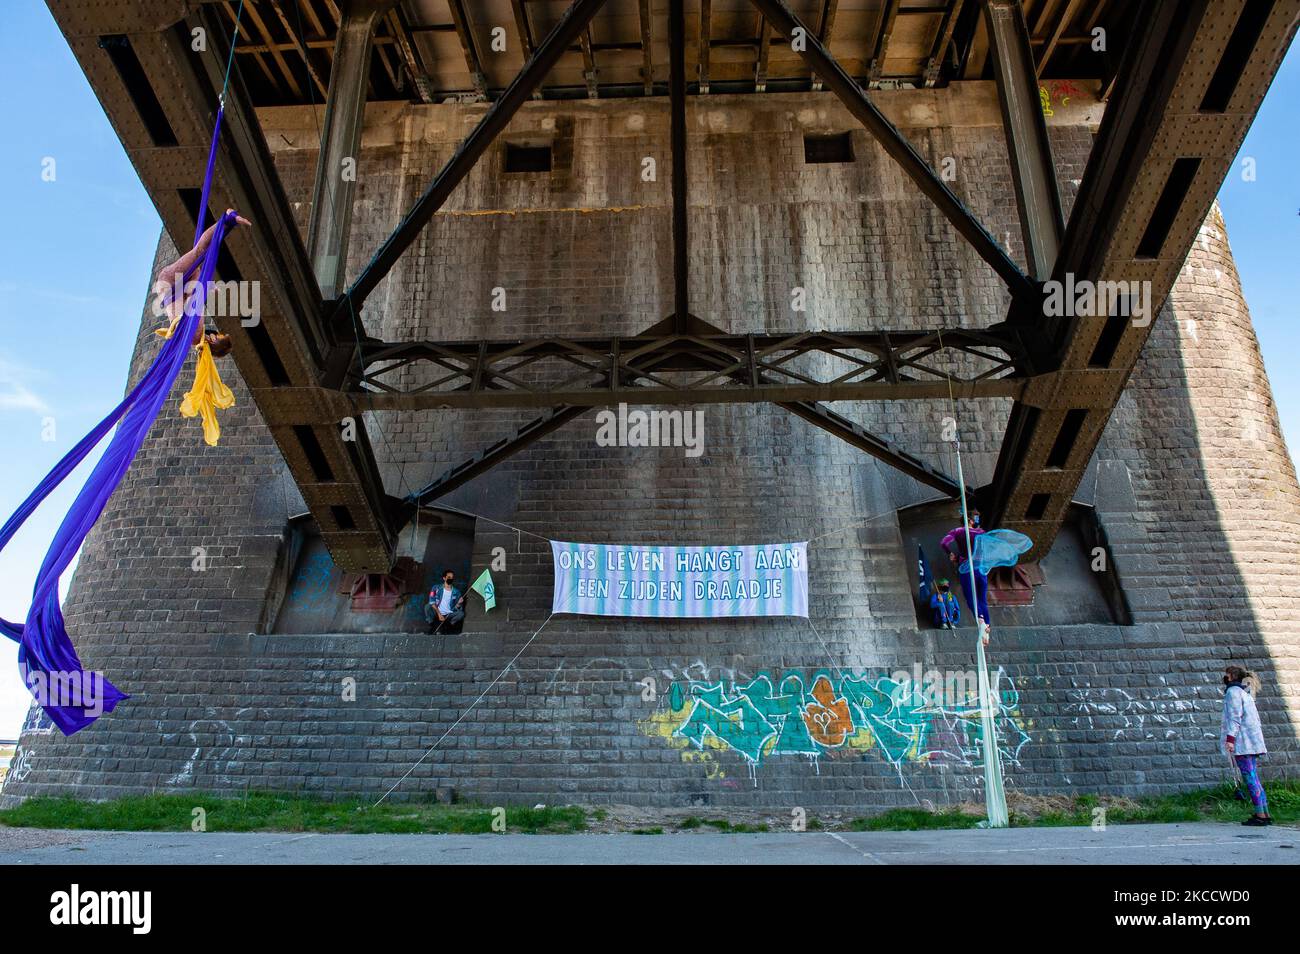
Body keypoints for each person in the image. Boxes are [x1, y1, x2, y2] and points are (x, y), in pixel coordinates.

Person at [152, 209, 250, 357]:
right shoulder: (197, 334)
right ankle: (227, 221)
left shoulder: (197, 334)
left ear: (212, 340)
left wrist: (203, 286)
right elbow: (191, 298)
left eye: (220, 335)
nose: (217, 333)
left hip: (171, 283)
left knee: (200, 252)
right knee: (199, 255)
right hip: (174, 287)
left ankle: (228, 219)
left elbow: (193, 298)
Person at [1220, 665, 1271, 826]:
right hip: (1252, 741)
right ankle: (1265, 812)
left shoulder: (1233, 693)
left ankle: (1260, 815)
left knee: (1250, 777)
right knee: (1254, 777)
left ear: (1230, 676)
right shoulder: (1245, 692)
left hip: (1243, 743)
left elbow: (1234, 717)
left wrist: (1230, 739)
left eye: (1226, 674)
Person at [941, 508, 990, 640]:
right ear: (970, 519)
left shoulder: (958, 531)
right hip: (981, 568)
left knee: (970, 599)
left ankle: (980, 622)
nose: (977, 522)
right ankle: (987, 627)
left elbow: (944, 542)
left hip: (967, 568)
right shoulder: (982, 532)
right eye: (976, 519)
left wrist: (951, 554)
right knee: (982, 599)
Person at [425, 568, 466, 634]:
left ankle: (449, 625)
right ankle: (432, 624)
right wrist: (439, 614)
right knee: (427, 607)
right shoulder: (435, 588)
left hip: (449, 614)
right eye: (449, 577)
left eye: (452, 577)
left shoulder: (456, 592)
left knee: (461, 614)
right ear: (444, 578)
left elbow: (458, 608)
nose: (451, 579)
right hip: (437, 611)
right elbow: (432, 601)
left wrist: (458, 604)